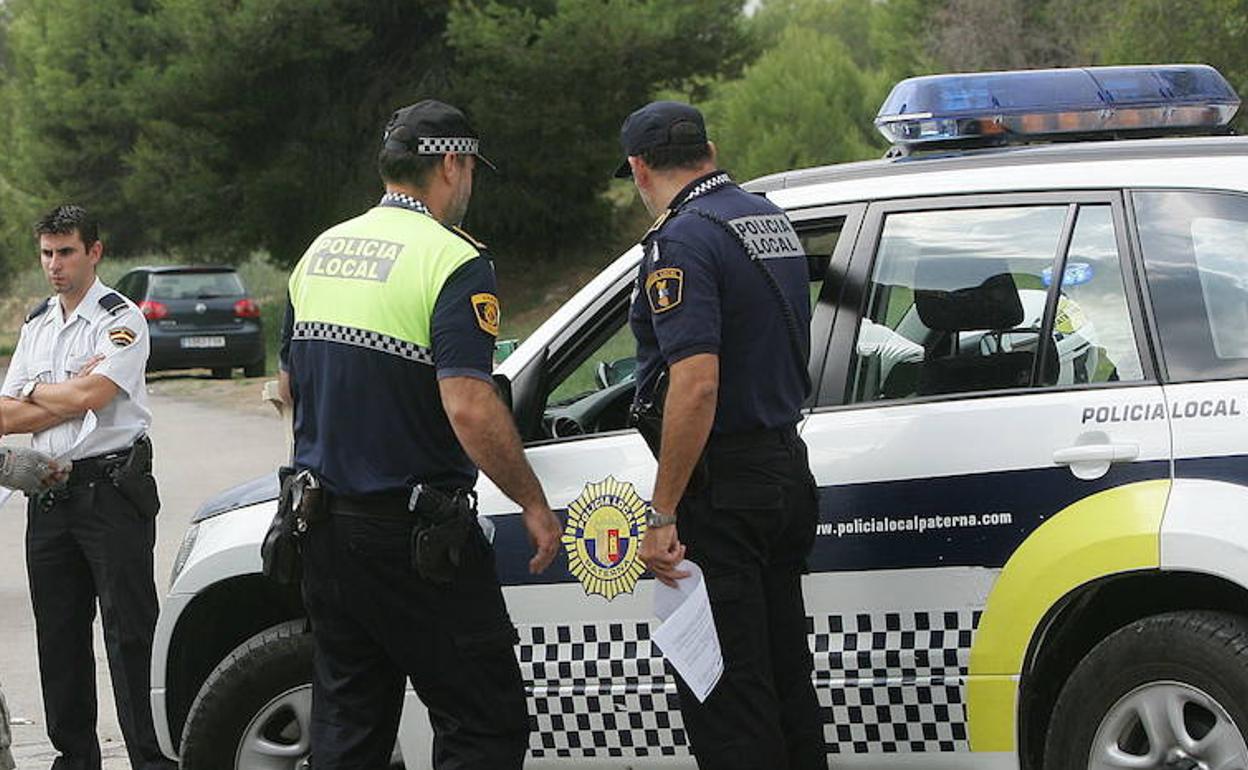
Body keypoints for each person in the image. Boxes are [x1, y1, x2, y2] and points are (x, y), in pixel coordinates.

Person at [279, 99, 561, 770]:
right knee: (484, 722)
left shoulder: (320, 251)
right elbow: (469, 404)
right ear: (453, 165)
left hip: (320, 527)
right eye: (470, 170)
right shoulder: (452, 259)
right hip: (412, 539)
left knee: (349, 728)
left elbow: (289, 389)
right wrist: (532, 502)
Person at [618, 101, 825, 770]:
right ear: (708, 149)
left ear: (638, 167)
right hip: (783, 471)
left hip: (727, 490)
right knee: (786, 683)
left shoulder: (682, 240)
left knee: (730, 702)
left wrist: (663, 510)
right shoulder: (767, 218)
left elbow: (697, 384)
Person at [0, 205, 172, 770]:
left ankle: (150, 757)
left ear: (94, 251)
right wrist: (62, 390)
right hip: (47, 495)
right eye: (47, 253)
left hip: (110, 490)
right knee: (60, 638)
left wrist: (42, 392)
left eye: (66, 251)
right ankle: (75, 758)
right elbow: (5, 414)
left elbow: (87, 399)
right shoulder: (37, 322)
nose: (55, 265)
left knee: (130, 635)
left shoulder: (119, 318)